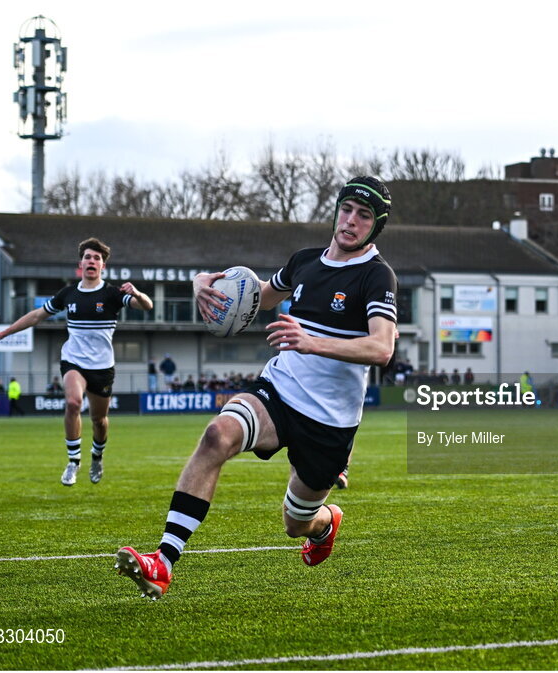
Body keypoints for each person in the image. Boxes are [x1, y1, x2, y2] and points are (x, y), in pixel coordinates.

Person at [115, 176, 397, 599]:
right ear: (336, 209)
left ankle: (325, 523)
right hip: (278, 392)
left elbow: (382, 347)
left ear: (375, 227)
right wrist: (205, 285)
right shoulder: (304, 261)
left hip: (329, 423)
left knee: (295, 523)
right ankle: (163, 562)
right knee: (217, 435)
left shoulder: (377, 276)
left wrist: (310, 341)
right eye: (347, 209)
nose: (351, 221)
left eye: (364, 216)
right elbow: (260, 297)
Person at [0, 237, 153, 486]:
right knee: (73, 403)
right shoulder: (68, 294)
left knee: (99, 420)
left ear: (102, 266)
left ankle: (97, 456)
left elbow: (147, 306)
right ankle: (73, 462)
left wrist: (137, 293)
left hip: (102, 367)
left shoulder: (112, 294)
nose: (92, 261)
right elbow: (35, 316)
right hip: (73, 361)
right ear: (81, 264)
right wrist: (3, 333)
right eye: (88, 257)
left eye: (97, 258)